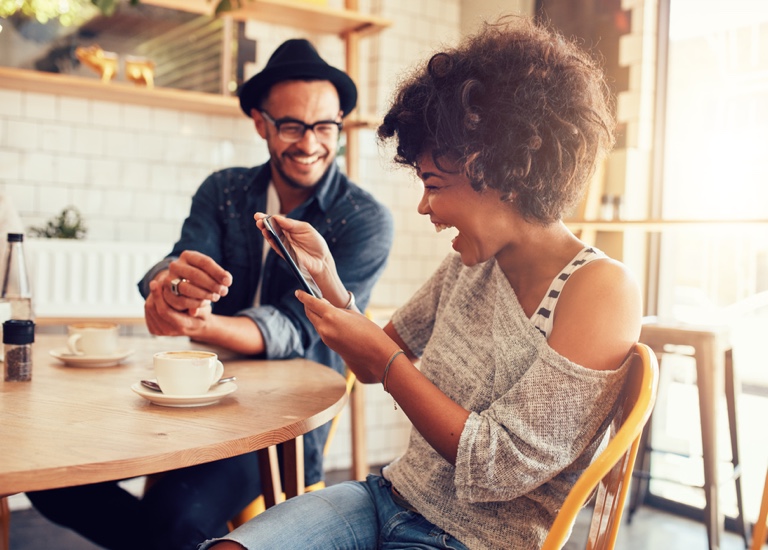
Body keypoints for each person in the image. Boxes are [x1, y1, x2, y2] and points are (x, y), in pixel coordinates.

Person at [200, 15, 642, 550]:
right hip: (387, 497)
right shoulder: (471, 262)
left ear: (493, 170)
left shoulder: (600, 290)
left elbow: (499, 466)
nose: (424, 206)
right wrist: (330, 283)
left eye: (433, 184)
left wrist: (390, 366)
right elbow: (369, 362)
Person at [26, 38, 394, 550]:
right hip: (189, 394)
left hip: (283, 416)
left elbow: (292, 328)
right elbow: (179, 262)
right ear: (261, 123)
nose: (310, 143)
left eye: (325, 127)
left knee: (174, 520)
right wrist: (169, 291)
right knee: (51, 478)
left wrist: (200, 325)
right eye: (291, 125)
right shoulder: (223, 190)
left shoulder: (365, 219)